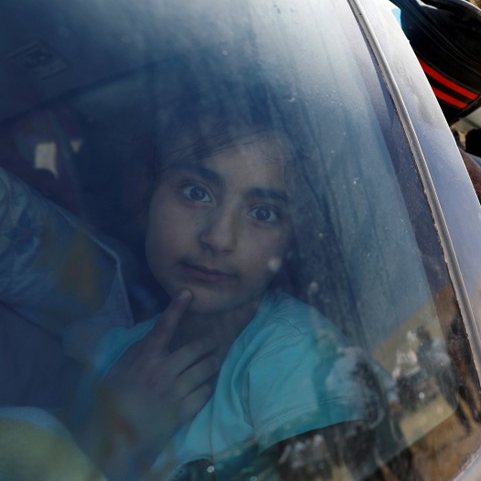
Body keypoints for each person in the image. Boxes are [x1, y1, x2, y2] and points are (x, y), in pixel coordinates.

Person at [60, 86, 375, 479]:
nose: (219, 238)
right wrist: (110, 431)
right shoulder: (106, 355)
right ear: (147, 198)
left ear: (292, 238)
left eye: (262, 212)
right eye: (196, 192)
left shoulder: (295, 358)